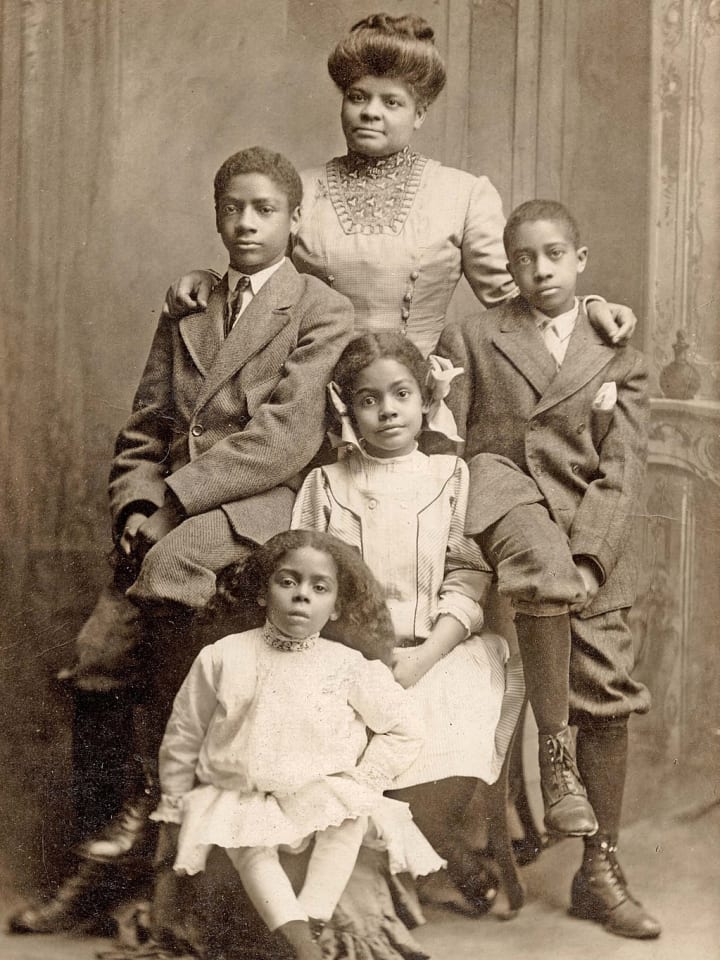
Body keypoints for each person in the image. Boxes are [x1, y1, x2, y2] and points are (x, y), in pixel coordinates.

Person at [9, 147, 354, 935]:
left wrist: (172, 500)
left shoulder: (319, 309)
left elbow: (283, 438)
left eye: (265, 209)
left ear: (295, 221)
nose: (246, 223)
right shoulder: (191, 306)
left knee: (170, 567)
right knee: (97, 654)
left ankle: (153, 797)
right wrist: (136, 500)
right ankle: (101, 853)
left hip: (258, 502)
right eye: (232, 208)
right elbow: (147, 425)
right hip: (171, 509)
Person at [436, 199, 660, 939]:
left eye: (554, 256)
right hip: (505, 526)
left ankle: (601, 864)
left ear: (580, 260)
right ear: (507, 266)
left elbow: (621, 470)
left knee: (608, 690)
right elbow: (452, 443)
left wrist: (593, 557)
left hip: (590, 536)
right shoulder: (473, 333)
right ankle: (472, 843)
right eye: (524, 258)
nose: (540, 270)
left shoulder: (616, 346)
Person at [163, 13, 638, 357]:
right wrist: (208, 281)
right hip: (304, 390)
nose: (371, 111)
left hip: (416, 398)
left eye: (392, 102)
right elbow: (257, 279)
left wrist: (588, 307)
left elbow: (517, 299)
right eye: (357, 97)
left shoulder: (462, 194)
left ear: (420, 114)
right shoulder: (298, 190)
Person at [292, 331, 525, 912]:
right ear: (348, 407)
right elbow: (310, 579)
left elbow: (468, 578)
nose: (387, 410)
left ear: (425, 400)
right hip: (350, 651)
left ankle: (434, 841)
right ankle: (393, 867)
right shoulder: (326, 484)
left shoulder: (451, 478)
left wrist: (420, 658)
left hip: (439, 646)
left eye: (400, 394)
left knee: (447, 708)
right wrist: (364, 655)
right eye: (368, 399)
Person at [149, 529, 443, 960]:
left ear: (337, 604)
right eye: (287, 582)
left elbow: (404, 728)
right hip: (242, 794)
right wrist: (174, 805)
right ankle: (302, 947)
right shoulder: (224, 656)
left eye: (318, 587)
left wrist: (364, 779)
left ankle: (313, 918)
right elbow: (184, 733)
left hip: (317, 796)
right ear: (263, 592)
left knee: (349, 818)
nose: (301, 595)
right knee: (245, 839)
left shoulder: (347, 666)